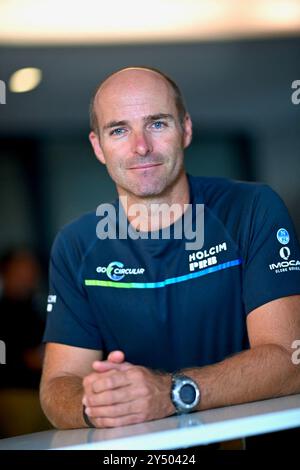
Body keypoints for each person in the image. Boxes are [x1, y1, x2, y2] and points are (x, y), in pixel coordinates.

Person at [40, 66, 300, 431]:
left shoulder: (252, 208)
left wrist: (171, 393)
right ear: (98, 147)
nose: (141, 146)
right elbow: (57, 385)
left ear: (186, 129)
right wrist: (97, 406)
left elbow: (291, 361)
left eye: (157, 124)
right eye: (119, 130)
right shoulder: (76, 244)